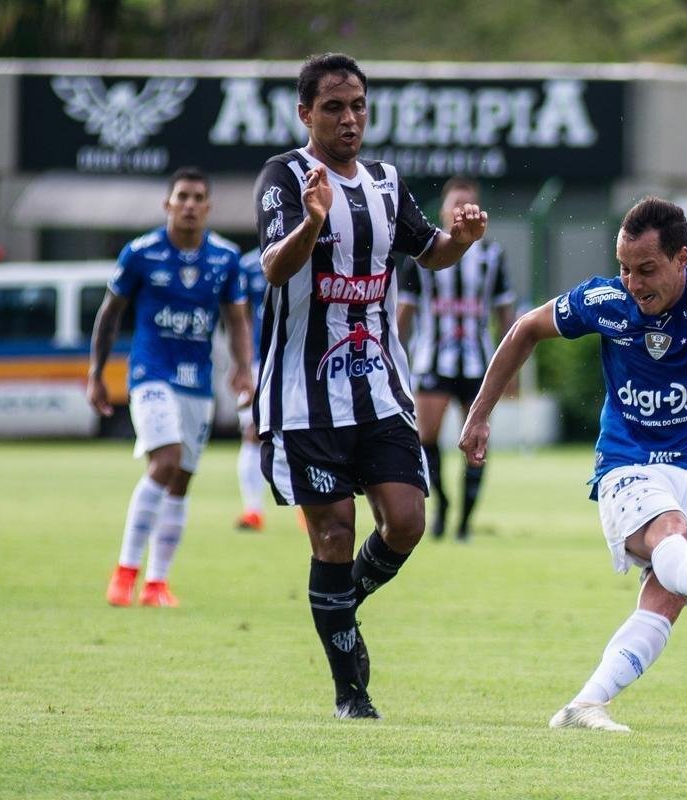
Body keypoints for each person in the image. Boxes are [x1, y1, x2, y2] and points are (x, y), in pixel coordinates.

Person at [459, 196, 687, 732]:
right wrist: (480, 414)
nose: (632, 283)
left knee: (665, 598)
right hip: (629, 463)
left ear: (682, 258)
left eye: (646, 269)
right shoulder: (605, 300)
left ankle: (584, 705)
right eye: (624, 267)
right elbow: (526, 327)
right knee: (672, 535)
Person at [251, 53, 488, 719]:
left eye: (357, 104)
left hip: (381, 390)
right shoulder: (285, 177)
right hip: (304, 399)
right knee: (331, 535)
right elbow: (274, 267)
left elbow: (428, 248)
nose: (349, 117)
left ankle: (339, 605)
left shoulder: (386, 182)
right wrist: (312, 223)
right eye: (333, 107)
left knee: (408, 521)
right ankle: (351, 694)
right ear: (306, 114)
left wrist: (461, 241)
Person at [89, 166, 253, 608]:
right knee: (165, 460)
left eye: (198, 197)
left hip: (197, 382)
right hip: (151, 374)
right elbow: (110, 314)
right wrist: (96, 373)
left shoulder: (224, 257)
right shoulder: (140, 253)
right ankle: (124, 573)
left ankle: (156, 584)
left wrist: (243, 367)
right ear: (168, 204)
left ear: (208, 207)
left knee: (181, 480)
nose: (190, 205)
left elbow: (237, 319)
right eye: (182, 196)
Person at [397, 176, 517, 541]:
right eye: (455, 204)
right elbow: (405, 313)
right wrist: (392, 357)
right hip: (433, 359)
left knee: (476, 442)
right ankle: (442, 505)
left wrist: (511, 369)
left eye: (468, 204)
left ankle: (465, 522)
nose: (460, 210)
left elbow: (505, 315)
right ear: (444, 211)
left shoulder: (493, 257)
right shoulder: (422, 256)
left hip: (478, 362)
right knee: (425, 436)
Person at [233, 246, 270, 532]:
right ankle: (253, 509)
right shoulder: (248, 266)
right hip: (258, 361)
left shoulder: (309, 250)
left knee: (302, 434)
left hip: (298, 360)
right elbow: (240, 318)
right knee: (253, 432)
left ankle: (307, 506)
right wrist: (242, 364)